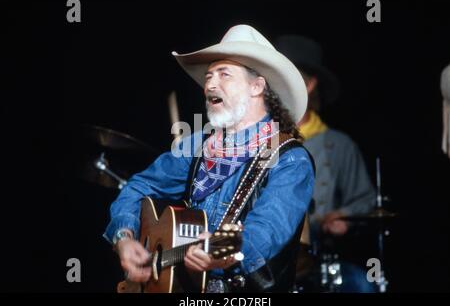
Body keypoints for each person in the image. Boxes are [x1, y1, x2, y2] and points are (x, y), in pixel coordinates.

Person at [103, 25, 315, 292]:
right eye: (209, 76)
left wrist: (225, 250)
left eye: (224, 75)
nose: (210, 85)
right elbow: (137, 187)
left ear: (256, 86)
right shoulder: (197, 146)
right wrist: (124, 236)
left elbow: (266, 230)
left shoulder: (289, 160)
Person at [275, 35, 377, 292]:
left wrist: (345, 217)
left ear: (309, 84)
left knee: (362, 286)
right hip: (265, 261)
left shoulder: (339, 145)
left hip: (319, 262)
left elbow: (366, 201)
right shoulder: (255, 139)